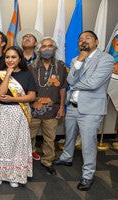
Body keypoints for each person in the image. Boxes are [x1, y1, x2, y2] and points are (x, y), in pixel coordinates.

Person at [53, 31, 114, 191]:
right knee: (70, 135)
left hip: (91, 109)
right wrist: (79, 63)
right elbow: (70, 80)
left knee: (88, 143)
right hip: (73, 105)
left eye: (87, 38)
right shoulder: (76, 59)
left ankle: (88, 175)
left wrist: (74, 82)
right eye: (80, 39)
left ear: (97, 41)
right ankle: (67, 157)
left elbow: (93, 83)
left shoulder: (106, 59)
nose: (83, 41)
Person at [0, 46, 37, 187]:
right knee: (2, 141)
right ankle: (1, 172)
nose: (10, 60)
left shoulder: (27, 75)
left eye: (13, 57)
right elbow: (1, 93)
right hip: (3, 112)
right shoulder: (0, 74)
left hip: (20, 113)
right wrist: (8, 73)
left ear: (19, 58)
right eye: (7, 57)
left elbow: (32, 96)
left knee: (18, 143)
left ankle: (15, 175)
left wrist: (13, 99)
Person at [28, 37, 68, 175]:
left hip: (53, 110)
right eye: (44, 46)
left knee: (49, 138)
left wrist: (62, 107)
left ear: (55, 49)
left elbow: (63, 88)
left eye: (50, 46)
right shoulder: (31, 67)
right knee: (28, 137)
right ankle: (25, 162)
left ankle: (48, 161)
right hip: (33, 110)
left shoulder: (61, 66)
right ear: (39, 50)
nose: (47, 49)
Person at [17, 28, 43, 160]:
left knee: (32, 125)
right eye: (24, 37)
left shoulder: (41, 59)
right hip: (16, 96)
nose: (26, 38)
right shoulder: (15, 57)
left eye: (30, 37)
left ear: (36, 42)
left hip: (35, 95)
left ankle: (31, 149)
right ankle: (17, 150)